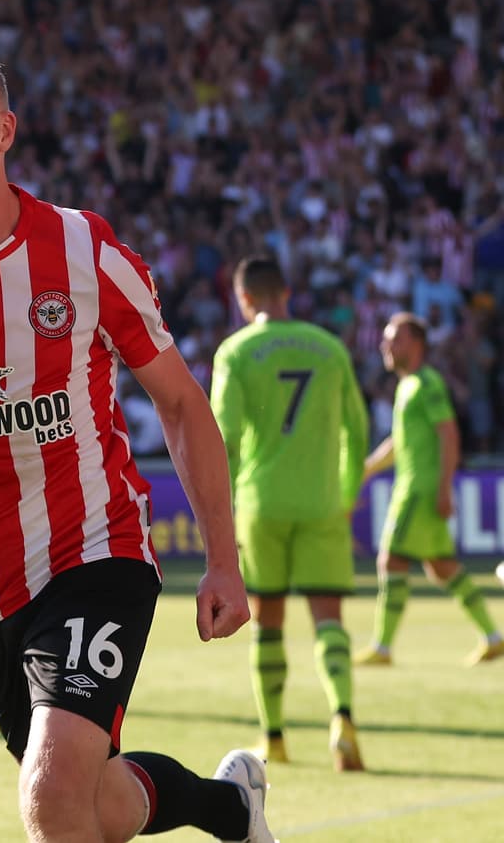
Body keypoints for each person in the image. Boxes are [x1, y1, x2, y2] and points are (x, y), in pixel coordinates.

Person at [0, 31, 274, 843]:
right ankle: (228, 807)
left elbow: (178, 401)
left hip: (94, 550)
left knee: (49, 795)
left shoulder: (83, 251)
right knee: (92, 803)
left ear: (4, 131)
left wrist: (222, 557)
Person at [209, 257, 368, 771]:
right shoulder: (330, 347)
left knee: (268, 623)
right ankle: (342, 716)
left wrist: (222, 514)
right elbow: (358, 431)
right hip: (321, 502)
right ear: (288, 293)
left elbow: (223, 439)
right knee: (329, 621)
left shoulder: (235, 352)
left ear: (244, 299)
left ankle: (274, 737)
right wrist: (345, 495)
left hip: (262, 505)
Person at [354, 313, 504, 667]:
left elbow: (449, 434)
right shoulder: (408, 386)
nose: (385, 344)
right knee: (442, 567)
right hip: (419, 488)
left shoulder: (427, 384)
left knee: (390, 560)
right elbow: (398, 442)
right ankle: (493, 636)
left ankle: (383, 646)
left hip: (418, 491)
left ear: (416, 344)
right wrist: (367, 470)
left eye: (394, 338)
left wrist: (444, 489)